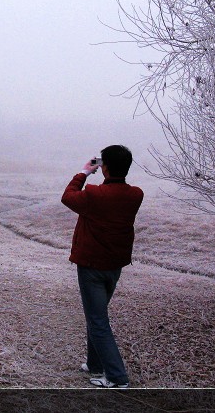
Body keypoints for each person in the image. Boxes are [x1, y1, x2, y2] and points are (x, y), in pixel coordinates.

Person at [61, 145, 144, 389]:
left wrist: (84, 172)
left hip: (91, 266)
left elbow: (67, 196)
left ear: (103, 166)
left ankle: (117, 377)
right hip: (114, 266)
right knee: (95, 314)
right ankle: (95, 364)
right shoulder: (136, 195)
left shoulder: (95, 195)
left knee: (98, 320)